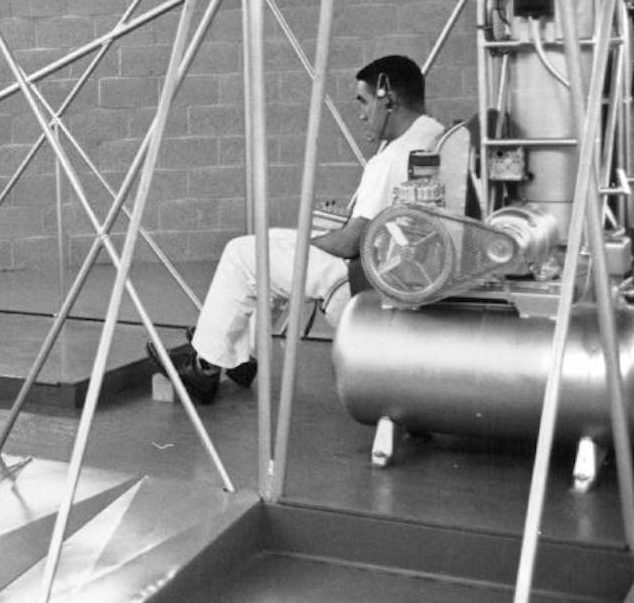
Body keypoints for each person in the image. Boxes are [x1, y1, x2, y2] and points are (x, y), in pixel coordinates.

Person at [158, 55, 446, 404]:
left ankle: (204, 367)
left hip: (358, 279)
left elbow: (350, 241)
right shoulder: (434, 136)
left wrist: (312, 239)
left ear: (388, 99)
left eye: (364, 102)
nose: (360, 114)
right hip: (395, 272)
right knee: (270, 247)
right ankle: (239, 356)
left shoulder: (394, 157)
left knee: (243, 253)